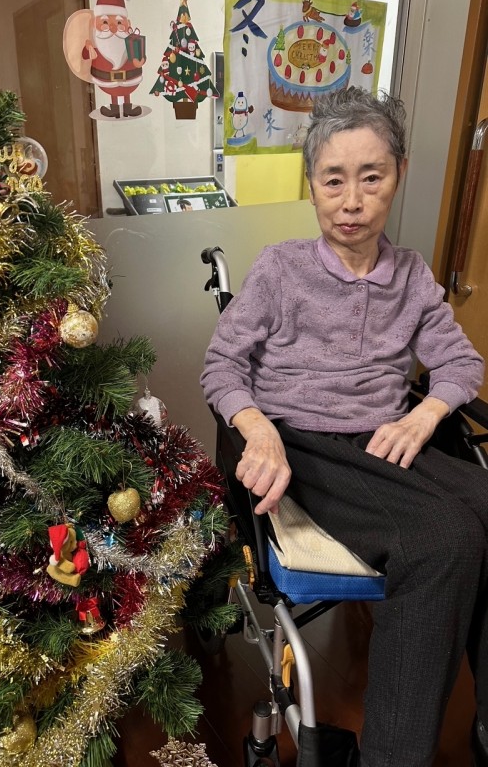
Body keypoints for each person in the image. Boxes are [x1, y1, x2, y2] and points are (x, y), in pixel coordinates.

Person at [201, 86, 488, 767]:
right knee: (442, 540)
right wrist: (258, 429)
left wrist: (426, 412)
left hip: (382, 443)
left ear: (399, 175)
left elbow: (461, 363)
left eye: (371, 177)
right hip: (302, 446)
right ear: (312, 184)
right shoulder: (281, 269)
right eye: (334, 180)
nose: (351, 200)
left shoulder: (411, 277)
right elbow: (221, 365)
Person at [82, 0, 145, 119]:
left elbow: (139, 56)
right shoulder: (97, 44)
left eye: (119, 22)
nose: (113, 28)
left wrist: (139, 61)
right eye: (105, 22)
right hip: (106, 79)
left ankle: (127, 107)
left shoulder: (131, 42)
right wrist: (87, 49)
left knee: (126, 90)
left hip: (130, 78)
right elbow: (85, 56)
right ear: (95, 24)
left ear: (128, 24)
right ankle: (114, 108)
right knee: (113, 91)